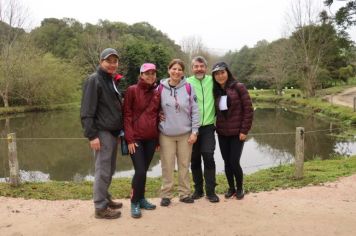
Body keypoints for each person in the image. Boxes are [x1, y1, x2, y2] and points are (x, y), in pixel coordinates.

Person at [80, 48, 123, 219]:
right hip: (101, 133)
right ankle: (100, 207)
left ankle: (105, 197)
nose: (112, 64)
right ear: (101, 62)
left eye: (115, 61)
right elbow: (87, 111)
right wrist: (92, 135)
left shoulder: (110, 80)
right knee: (103, 170)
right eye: (108, 61)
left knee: (110, 168)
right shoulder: (94, 80)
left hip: (112, 132)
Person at [158, 59, 200, 207]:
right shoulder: (160, 88)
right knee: (167, 166)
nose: (176, 72)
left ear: (183, 72)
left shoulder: (189, 87)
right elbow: (154, 109)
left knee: (184, 165)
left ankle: (184, 193)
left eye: (180, 69)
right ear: (168, 70)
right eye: (174, 69)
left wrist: (195, 132)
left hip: (185, 134)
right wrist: (158, 116)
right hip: (166, 135)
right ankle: (166, 195)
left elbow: (195, 111)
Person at [211, 62, 253, 200]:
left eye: (222, 72)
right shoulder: (215, 91)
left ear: (227, 72)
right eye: (217, 74)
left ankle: (240, 188)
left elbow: (248, 110)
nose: (220, 76)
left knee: (234, 161)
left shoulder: (238, 87)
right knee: (226, 161)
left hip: (237, 133)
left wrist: (244, 130)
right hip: (222, 133)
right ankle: (231, 188)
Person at [124, 63, 161, 218]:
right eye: (147, 73)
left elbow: (157, 116)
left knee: (143, 171)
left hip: (151, 139)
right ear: (141, 74)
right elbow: (127, 115)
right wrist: (130, 139)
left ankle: (142, 198)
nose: (150, 76)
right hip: (136, 139)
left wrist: (158, 139)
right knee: (139, 171)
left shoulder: (157, 93)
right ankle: (134, 202)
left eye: (153, 73)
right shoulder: (132, 90)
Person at [186, 56, 219, 203]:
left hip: (208, 127)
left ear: (206, 68)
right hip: (191, 127)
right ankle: (198, 190)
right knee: (194, 159)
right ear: (192, 68)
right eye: (196, 66)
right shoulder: (186, 82)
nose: (199, 69)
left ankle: (211, 191)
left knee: (208, 156)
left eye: (201, 66)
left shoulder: (213, 80)